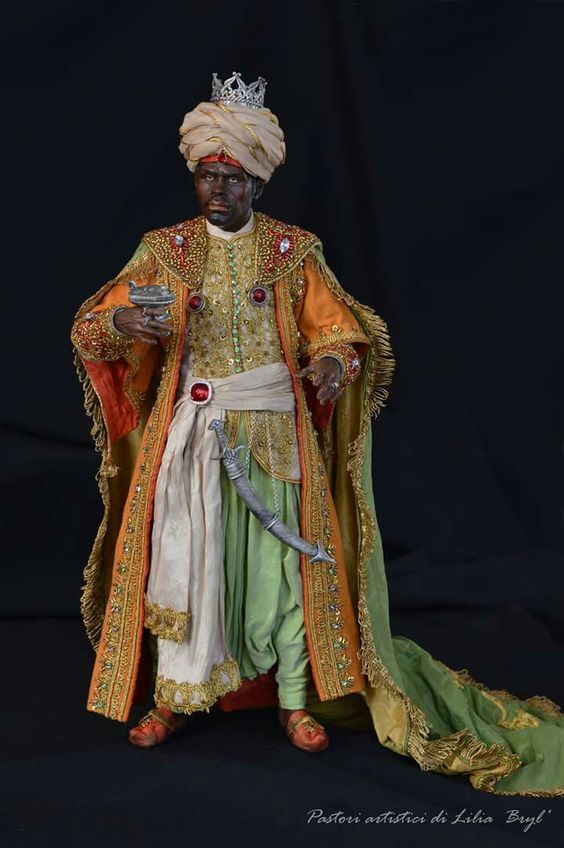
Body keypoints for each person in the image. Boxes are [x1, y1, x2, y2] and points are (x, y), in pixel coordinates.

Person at [72, 72, 564, 792]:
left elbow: (339, 331)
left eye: (231, 178)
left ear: (256, 183)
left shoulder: (293, 251)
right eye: (207, 175)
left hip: (277, 436)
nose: (217, 189)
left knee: (286, 572)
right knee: (186, 563)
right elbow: (91, 326)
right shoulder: (164, 250)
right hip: (192, 437)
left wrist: (333, 364)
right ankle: (174, 698)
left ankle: (296, 700)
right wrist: (121, 321)